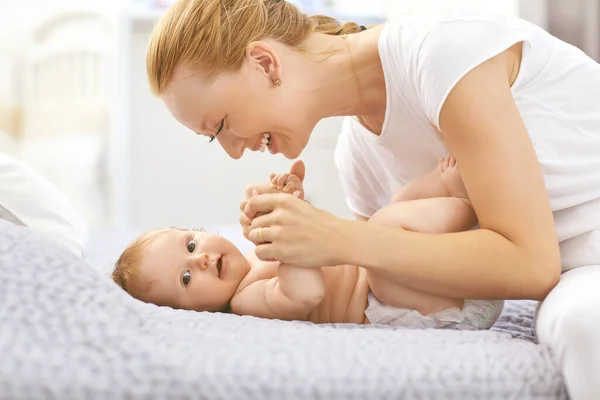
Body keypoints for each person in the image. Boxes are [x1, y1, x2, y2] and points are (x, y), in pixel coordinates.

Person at [145, 1, 600, 398]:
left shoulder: (440, 52)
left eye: (221, 125)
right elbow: (389, 292)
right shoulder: (357, 158)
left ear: (265, 63)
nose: (234, 150)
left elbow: (531, 265)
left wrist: (339, 237)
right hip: (572, 276)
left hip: (574, 261)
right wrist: (308, 241)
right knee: (581, 324)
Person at [112, 158, 503, 330]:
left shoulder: (252, 257)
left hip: (436, 274)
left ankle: (453, 204)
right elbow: (307, 292)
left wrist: (292, 204)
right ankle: (467, 209)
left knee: (385, 216)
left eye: (191, 244)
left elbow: (320, 241)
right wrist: (287, 242)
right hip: (427, 306)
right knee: (382, 234)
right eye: (184, 278)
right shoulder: (246, 302)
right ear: (191, 315)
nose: (199, 261)